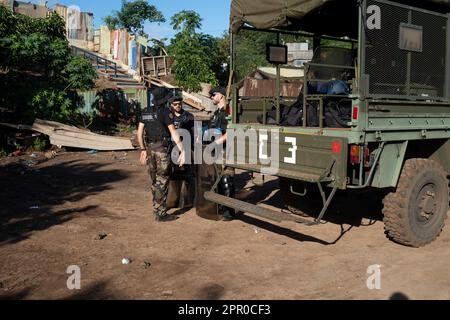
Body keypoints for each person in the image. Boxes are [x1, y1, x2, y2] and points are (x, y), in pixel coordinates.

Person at [137, 97, 186, 222]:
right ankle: (160, 213)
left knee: (154, 181)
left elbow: (139, 132)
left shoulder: (145, 111)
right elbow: (173, 133)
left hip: (150, 150)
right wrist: (182, 150)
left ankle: (157, 207)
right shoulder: (165, 112)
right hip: (162, 151)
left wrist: (143, 149)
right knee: (162, 181)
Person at [207, 87, 236, 221]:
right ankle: (222, 208)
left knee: (226, 180)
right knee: (218, 180)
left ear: (222, 96)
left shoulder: (229, 111)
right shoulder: (216, 112)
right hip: (215, 150)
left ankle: (229, 211)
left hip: (226, 150)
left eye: (214, 95)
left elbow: (231, 132)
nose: (212, 97)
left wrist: (216, 142)